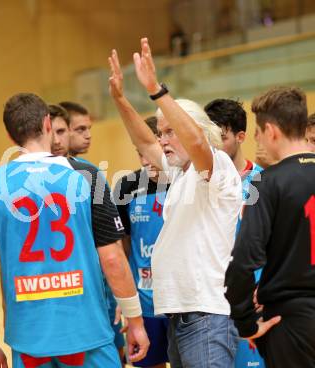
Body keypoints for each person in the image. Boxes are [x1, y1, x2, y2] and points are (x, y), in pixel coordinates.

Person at [0, 93, 149, 368]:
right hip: (86, 330)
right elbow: (112, 258)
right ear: (47, 124)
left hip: (28, 338)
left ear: (10, 135)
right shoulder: (87, 176)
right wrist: (135, 320)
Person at [108, 39, 241, 367]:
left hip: (205, 316)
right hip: (180, 315)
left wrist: (155, 89)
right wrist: (121, 99)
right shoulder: (180, 173)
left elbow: (195, 139)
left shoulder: (217, 166)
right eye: (161, 132)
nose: (162, 139)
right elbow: (144, 140)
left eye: (169, 131)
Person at [225, 86, 315, 367]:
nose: (259, 140)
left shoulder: (267, 182)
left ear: (272, 130)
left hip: (289, 323)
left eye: (259, 133)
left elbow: (244, 260)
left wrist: (245, 323)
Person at [52, 103, 126, 361]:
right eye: (79, 129)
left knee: (115, 352)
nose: (88, 135)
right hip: (67, 296)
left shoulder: (88, 171)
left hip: (102, 288)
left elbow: (111, 246)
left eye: (89, 128)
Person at [205, 99, 265, 367]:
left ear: (241, 137)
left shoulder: (266, 181)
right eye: (209, 138)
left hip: (251, 300)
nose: (214, 146)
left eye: (222, 138)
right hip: (209, 301)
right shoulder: (198, 182)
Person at [114, 116, 170, 368]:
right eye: (140, 154)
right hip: (146, 304)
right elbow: (123, 243)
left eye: (150, 152)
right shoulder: (126, 186)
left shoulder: (186, 181)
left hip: (183, 302)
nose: (146, 161)